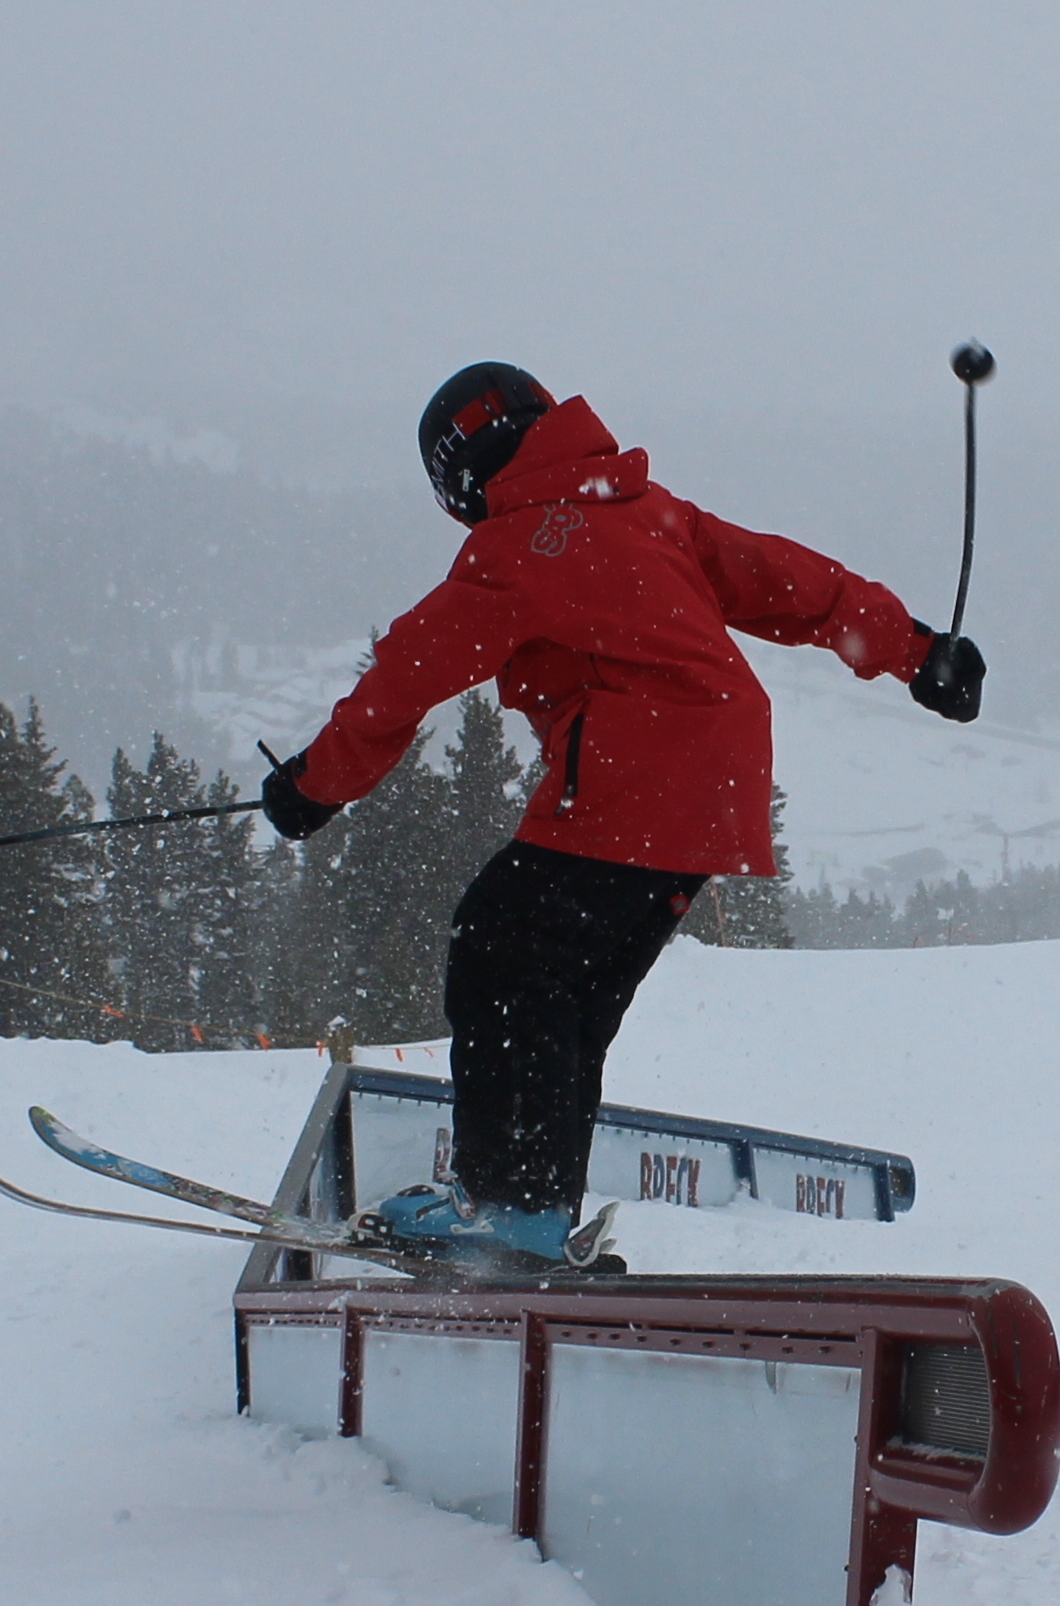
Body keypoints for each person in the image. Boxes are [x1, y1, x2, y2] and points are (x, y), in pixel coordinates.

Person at [259, 361, 987, 1268]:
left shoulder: (514, 547)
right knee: (565, 999)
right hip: (714, 791)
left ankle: (508, 1206)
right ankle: (531, 1209)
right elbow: (787, 580)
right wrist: (915, 649)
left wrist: (311, 788)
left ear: (458, 474)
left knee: (499, 949)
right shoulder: (647, 510)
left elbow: (407, 674)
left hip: (631, 776)